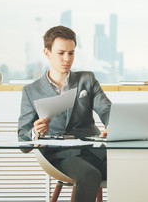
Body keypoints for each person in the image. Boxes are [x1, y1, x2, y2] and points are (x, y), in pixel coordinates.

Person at [18, 25, 111, 202]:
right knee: (89, 175)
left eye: (71, 53)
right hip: (59, 155)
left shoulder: (87, 80)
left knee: (133, 166)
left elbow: (106, 108)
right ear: (47, 53)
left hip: (94, 151)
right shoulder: (31, 91)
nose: (67, 59)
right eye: (61, 53)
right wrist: (35, 132)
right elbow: (23, 141)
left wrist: (112, 124)